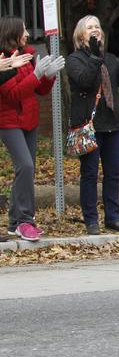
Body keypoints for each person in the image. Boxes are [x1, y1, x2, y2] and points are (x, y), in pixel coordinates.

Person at [66, 16, 119, 235]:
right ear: (80, 35)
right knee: (90, 174)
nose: (95, 29)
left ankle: (113, 218)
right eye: (90, 27)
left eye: (97, 26)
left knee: (113, 174)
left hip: (112, 124)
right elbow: (85, 80)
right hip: (89, 125)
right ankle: (91, 220)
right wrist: (95, 57)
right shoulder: (75, 59)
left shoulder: (110, 59)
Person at [0, 18, 63, 240]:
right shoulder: (5, 59)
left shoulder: (26, 55)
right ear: (12, 33)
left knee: (26, 170)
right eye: (24, 30)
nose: (27, 33)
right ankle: (26, 220)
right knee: (25, 166)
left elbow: (40, 91)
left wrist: (48, 76)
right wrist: (36, 76)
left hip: (30, 119)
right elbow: (13, 94)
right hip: (8, 121)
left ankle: (14, 221)